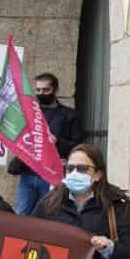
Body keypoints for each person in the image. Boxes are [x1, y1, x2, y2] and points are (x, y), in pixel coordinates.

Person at [9, 72, 85, 215]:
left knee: (49, 215)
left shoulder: (70, 115)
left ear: (55, 90)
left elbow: (78, 146)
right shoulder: (29, 113)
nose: (41, 93)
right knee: (21, 215)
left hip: (52, 175)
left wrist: (57, 142)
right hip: (29, 172)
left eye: (45, 90)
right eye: (38, 90)